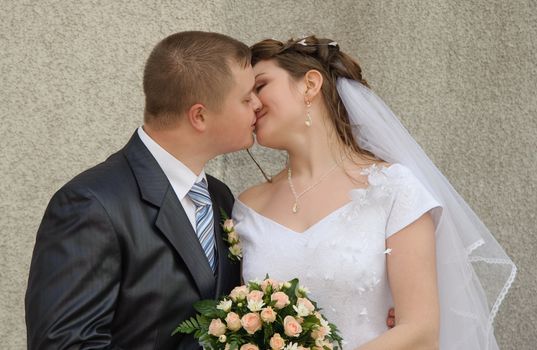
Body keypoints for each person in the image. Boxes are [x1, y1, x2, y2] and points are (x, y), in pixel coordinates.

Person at [233, 36, 516, 349]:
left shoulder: (393, 188)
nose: (254, 103)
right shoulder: (247, 206)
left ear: (309, 85)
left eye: (260, 86)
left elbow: (421, 331)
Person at [25, 31, 262, 349]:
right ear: (200, 115)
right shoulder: (92, 205)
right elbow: (64, 344)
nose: (258, 105)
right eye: (247, 98)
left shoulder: (219, 196)